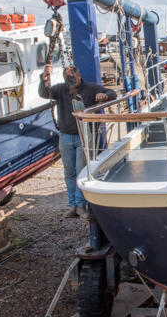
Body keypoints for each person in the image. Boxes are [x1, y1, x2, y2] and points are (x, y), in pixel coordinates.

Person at [39, 64, 117, 219]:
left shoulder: (90, 88)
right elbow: (44, 93)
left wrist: (105, 96)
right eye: (68, 78)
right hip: (65, 136)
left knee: (80, 170)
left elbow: (112, 93)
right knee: (69, 172)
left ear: (79, 76)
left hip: (83, 136)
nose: (71, 81)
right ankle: (73, 205)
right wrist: (44, 78)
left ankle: (80, 205)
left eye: (73, 78)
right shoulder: (61, 89)